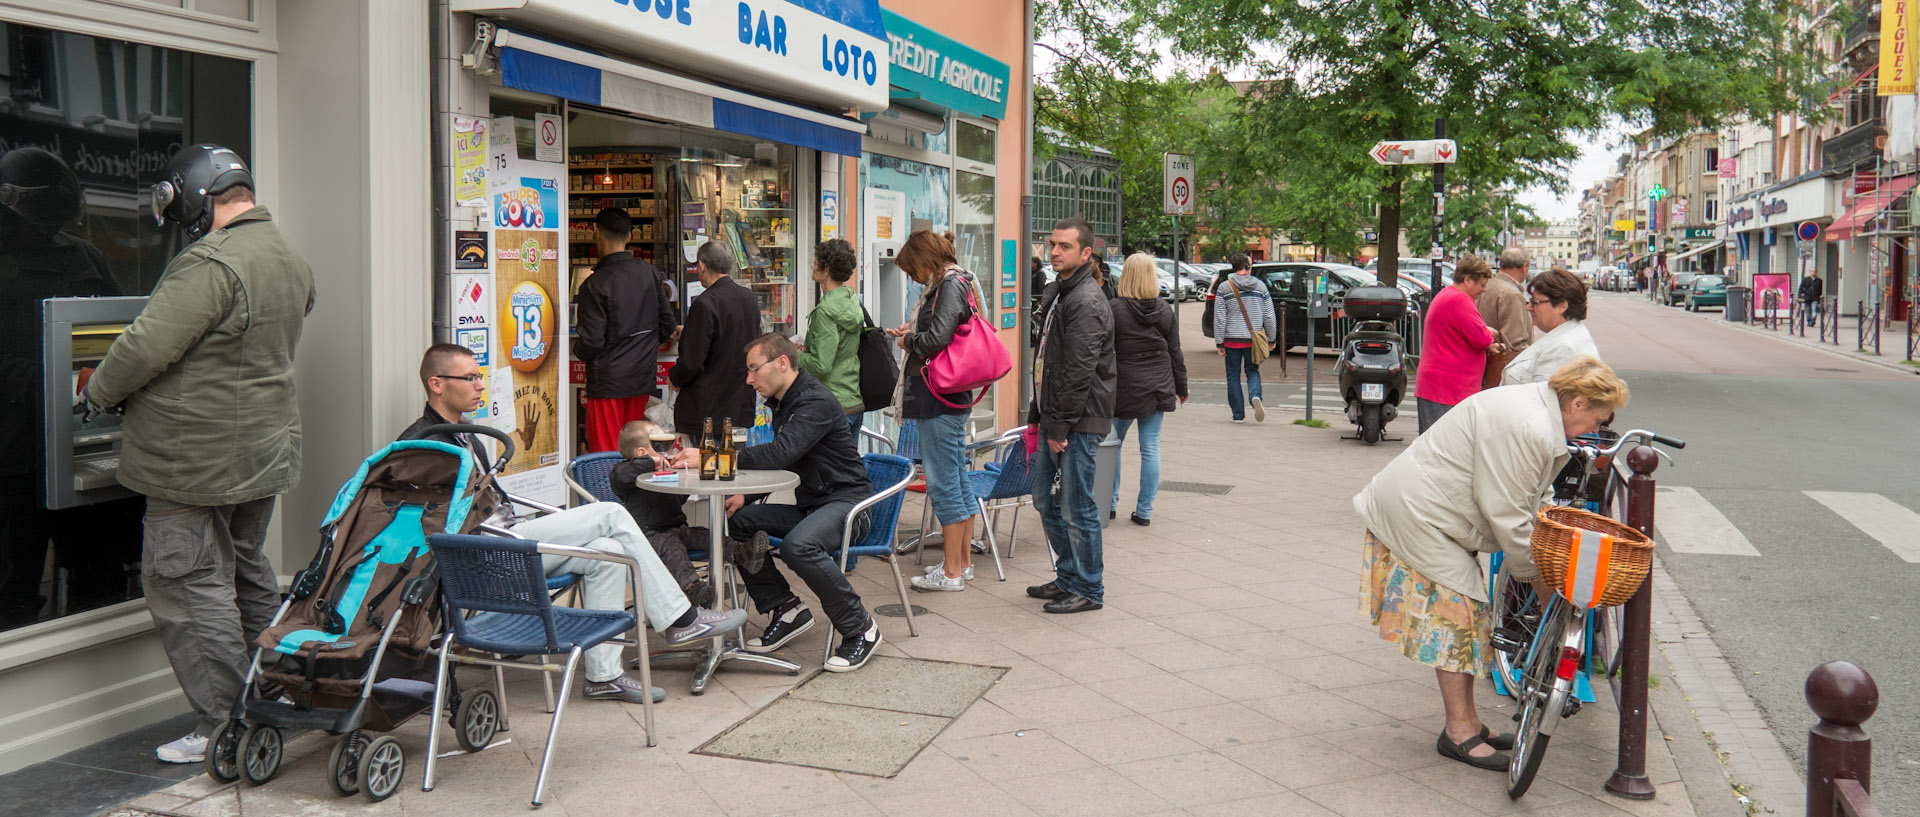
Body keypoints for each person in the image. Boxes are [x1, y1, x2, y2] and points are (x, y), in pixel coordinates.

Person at [76, 145, 314, 764]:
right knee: (244, 568)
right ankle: (280, 691)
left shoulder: (209, 262)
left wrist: (95, 394)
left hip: (194, 459)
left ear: (196, 200)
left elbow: (143, 347)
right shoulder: (288, 255)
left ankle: (226, 726)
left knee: (187, 583)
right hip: (262, 449)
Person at [400, 344, 746, 704]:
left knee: (609, 553)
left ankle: (604, 675)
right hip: (483, 553)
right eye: (470, 377)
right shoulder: (425, 444)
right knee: (611, 515)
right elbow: (434, 523)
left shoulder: (464, 432)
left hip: (506, 538)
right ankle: (682, 618)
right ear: (437, 384)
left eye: (480, 376)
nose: (480, 385)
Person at [1353, 355, 1631, 771]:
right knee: (1457, 619)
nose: (1596, 430)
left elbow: (1529, 497)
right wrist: (1539, 577)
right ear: (1576, 403)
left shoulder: (1537, 412)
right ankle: (1458, 732)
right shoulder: (1529, 426)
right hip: (1419, 512)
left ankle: (1468, 722)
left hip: (1433, 509)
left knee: (1466, 616)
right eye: (1597, 419)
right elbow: (1509, 514)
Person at [671, 334, 882, 671]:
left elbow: (781, 453)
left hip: (848, 506)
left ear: (782, 363)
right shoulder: (787, 403)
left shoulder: (814, 401)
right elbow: (785, 459)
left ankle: (860, 628)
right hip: (814, 506)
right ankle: (786, 607)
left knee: (799, 545)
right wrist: (747, 496)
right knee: (739, 524)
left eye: (754, 369)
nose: (749, 379)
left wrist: (710, 456)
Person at [0, 147, 133, 629]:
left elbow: (123, 333)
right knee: (12, 587)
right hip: (13, 455)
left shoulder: (85, 255)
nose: (47, 231)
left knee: (98, 578)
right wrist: (45, 378)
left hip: (81, 440)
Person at [885, 230, 985, 592]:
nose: (912, 278)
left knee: (944, 484)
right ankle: (961, 564)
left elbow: (936, 339)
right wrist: (913, 331)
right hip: (949, 396)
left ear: (925, 260)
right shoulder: (958, 281)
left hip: (938, 396)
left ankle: (953, 571)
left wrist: (908, 339)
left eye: (912, 270)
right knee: (957, 479)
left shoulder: (948, 285)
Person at [1025, 217, 1116, 614]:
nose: (1055, 251)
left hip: (1079, 419)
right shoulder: (1059, 290)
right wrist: (1038, 411)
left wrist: (1058, 426)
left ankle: (1089, 588)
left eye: (1064, 246)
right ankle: (1068, 577)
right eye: (1052, 244)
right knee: (1045, 500)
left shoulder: (1086, 300)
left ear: (1085, 252)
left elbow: (1078, 372)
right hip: (1057, 415)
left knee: (1077, 507)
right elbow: (1048, 360)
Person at [575, 207, 678, 452]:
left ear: (596, 234)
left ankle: (608, 493)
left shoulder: (594, 284)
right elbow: (667, 325)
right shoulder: (650, 274)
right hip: (641, 379)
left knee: (607, 452)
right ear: (630, 236)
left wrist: (578, 351)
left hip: (607, 384)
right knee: (638, 449)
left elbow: (591, 342)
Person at [1108, 253, 1187, 526]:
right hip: (1158, 384)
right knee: (1150, 447)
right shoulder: (1165, 310)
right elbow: (1175, 351)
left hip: (1123, 387)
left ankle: (1109, 503)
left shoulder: (1114, 309)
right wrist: (1181, 386)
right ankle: (1144, 511)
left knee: (1112, 445)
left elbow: (1104, 352)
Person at [607, 420, 712, 607]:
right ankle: (692, 587)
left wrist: (681, 481)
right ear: (641, 453)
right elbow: (621, 477)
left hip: (677, 528)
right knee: (674, 549)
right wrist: (651, 462)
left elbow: (678, 500)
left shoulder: (663, 471)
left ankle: (740, 551)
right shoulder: (624, 471)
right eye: (655, 436)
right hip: (650, 534)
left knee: (707, 536)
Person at [669, 241, 758, 437]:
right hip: (740, 403)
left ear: (701, 266)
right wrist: (690, 332)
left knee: (706, 464)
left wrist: (674, 377)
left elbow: (691, 362)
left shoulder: (705, 303)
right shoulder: (749, 298)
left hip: (707, 408)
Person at [1415, 256, 1503, 432]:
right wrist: (1487, 334)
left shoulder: (1447, 295)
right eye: (1482, 285)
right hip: (1448, 388)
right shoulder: (1460, 300)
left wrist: (1483, 331)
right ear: (1467, 280)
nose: (1484, 290)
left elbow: (1461, 330)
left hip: (1439, 385)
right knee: (1444, 445)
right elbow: (1482, 339)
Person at [798, 238, 865, 434]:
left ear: (826, 270)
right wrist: (809, 350)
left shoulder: (825, 312)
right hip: (852, 398)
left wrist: (794, 355)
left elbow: (821, 365)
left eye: (816, 262)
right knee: (846, 465)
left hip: (831, 404)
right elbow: (838, 351)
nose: (812, 265)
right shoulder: (850, 300)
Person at [1211, 253, 1276, 423]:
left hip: (1232, 339)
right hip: (1253, 339)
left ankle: (1238, 415)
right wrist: (1271, 338)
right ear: (1247, 266)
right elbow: (1269, 315)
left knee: (1233, 375)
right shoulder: (1261, 286)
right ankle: (1255, 396)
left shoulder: (1224, 288)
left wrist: (1219, 341)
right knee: (1252, 371)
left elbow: (1219, 317)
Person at [1503, 269, 1599, 385]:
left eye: (1535, 302)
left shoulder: (1562, 348)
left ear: (1561, 306)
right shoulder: (1569, 335)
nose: (1528, 307)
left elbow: (1541, 398)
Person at [1478, 247, 1532, 363]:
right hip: (1502, 366)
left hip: (1483, 362)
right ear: (1524, 268)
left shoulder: (1486, 286)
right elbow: (1516, 342)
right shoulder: (1511, 294)